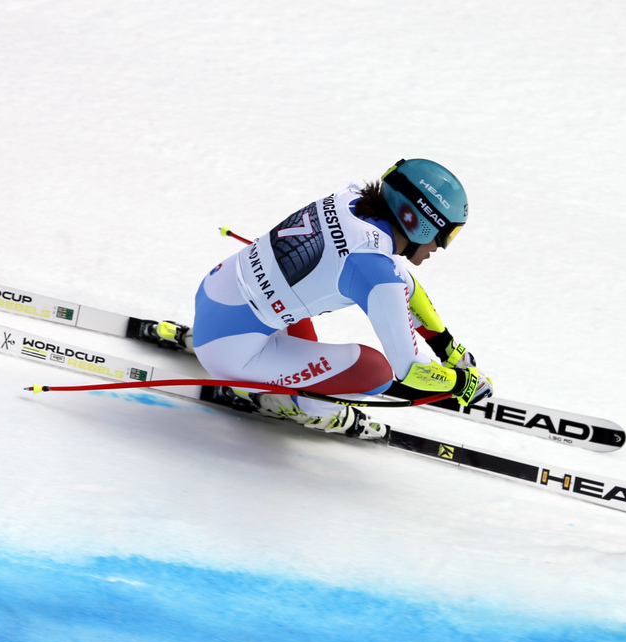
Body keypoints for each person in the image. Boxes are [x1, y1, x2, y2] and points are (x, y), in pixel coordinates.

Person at [191, 158, 493, 440]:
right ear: (419, 222)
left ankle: (228, 347)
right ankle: (310, 410)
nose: (440, 247)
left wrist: (446, 346)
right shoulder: (374, 268)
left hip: (214, 291)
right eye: (445, 235)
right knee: (374, 371)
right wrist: (460, 383)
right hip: (227, 353)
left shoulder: (353, 198)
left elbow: (402, 282)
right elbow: (410, 368)